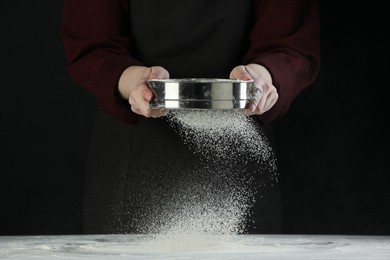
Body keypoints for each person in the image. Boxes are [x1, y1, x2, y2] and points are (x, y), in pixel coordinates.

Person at [61, 0, 320, 234]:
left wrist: (260, 79)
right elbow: (92, 42)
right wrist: (137, 82)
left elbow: (290, 42)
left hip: (239, 168)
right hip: (132, 167)